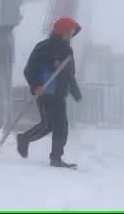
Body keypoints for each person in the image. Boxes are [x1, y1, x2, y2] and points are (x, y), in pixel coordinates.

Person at [17, 16, 83, 168]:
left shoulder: (68, 51)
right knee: (48, 125)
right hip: (45, 93)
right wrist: (35, 86)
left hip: (59, 95)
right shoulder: (43, 48)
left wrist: (75, 93)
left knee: (62, 126)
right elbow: (29, 70)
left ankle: (56, 158)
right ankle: (24, 138)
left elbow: (69, 74)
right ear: (62, 31)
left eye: (73, 32)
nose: (71, 35)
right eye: (69, 31)